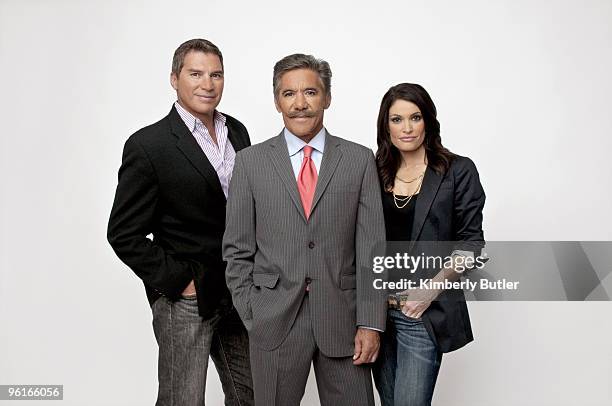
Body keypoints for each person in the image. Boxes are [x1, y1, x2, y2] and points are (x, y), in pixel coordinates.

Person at [222, 53, 387, 406]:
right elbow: (236, 249)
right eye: (289, 94)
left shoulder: (359, 160)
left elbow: (373, 249)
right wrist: (253, 312)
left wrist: (372, 322)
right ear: (277, 101)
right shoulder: (250, 163)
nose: (300, 104)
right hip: (274, 320)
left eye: (310, 92)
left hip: (344, 320)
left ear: (327, 97)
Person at [107, 38, 253, 406]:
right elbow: (123, 233)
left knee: (253, 394)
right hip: (186, 298)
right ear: (174, 78)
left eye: (216, 74)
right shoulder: (148, 145)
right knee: (182, 400)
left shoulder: (237, 132)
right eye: (196, 73)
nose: (208, 83)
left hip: (236, 289)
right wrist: (178, 282)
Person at [372, 83, 486, 406]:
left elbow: (472, 245)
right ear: (385, 125)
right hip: (378, 314)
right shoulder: (376, 171)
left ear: (428, 121)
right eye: (396, 119)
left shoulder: (457, 171)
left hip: (421, 313)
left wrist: (429, 291)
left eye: (415, 117)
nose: (406, 128)